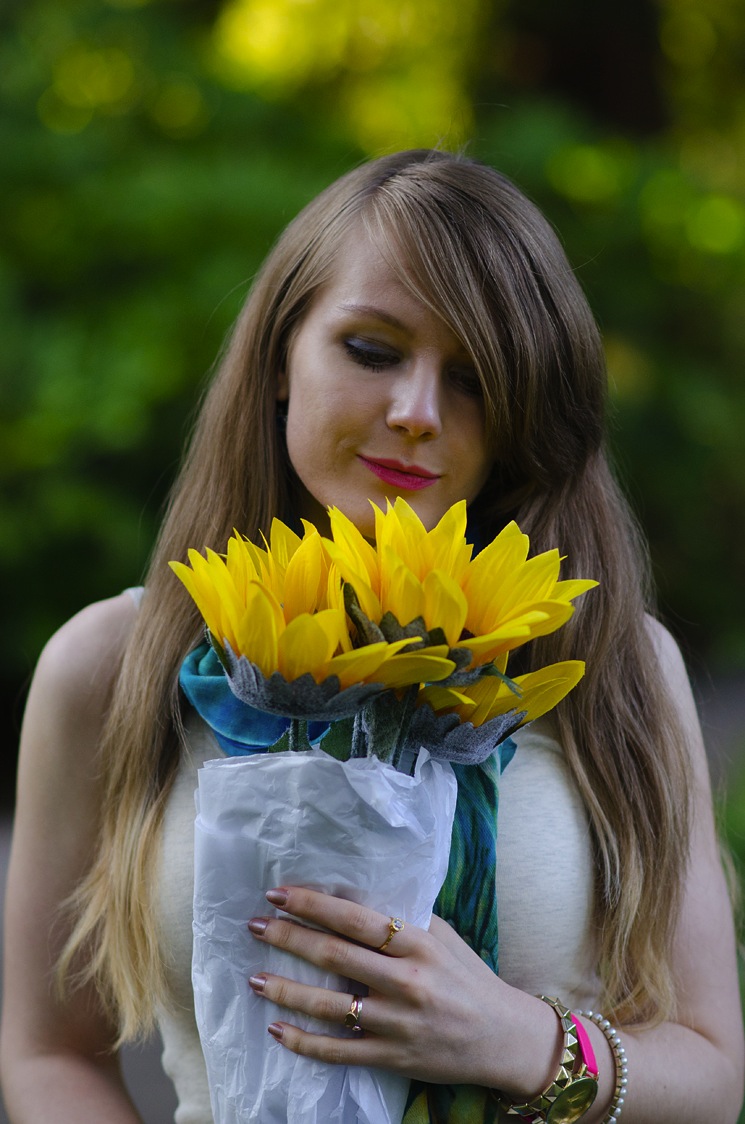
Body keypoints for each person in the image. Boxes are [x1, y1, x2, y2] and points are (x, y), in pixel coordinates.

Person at [0, 148, 742, 1124]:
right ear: (279, 357)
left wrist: (516, 1037)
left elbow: (713, 1072)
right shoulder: (112, 663)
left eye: (474, 377)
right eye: (372, 348)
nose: (416, 414)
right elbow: (49, 1051)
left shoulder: (613, 662)